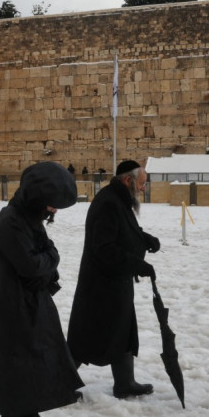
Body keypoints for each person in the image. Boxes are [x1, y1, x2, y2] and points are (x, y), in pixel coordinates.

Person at [0, 161, 85, 417]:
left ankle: (29, 412)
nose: (52, 211)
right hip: (11, 308)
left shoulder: (29, 219)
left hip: (31, 302)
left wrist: (48, 257)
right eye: (50, 205)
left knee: (35, 360)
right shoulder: (9, 221)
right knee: (15, 364)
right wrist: (52, 257)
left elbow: (44, 256)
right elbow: (32, 264)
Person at [67, 160, 161, 400]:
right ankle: (57, 382)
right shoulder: (108, 203)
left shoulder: (119, 200)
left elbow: (123, 232)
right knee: (86, 338)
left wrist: (143, 238)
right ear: (127, 180)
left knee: (123, 331)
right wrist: (136, 263)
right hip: (100, 287)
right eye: (141, 184)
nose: (143, 189)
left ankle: (125, 382)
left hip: (115, 283)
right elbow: (104, 247)